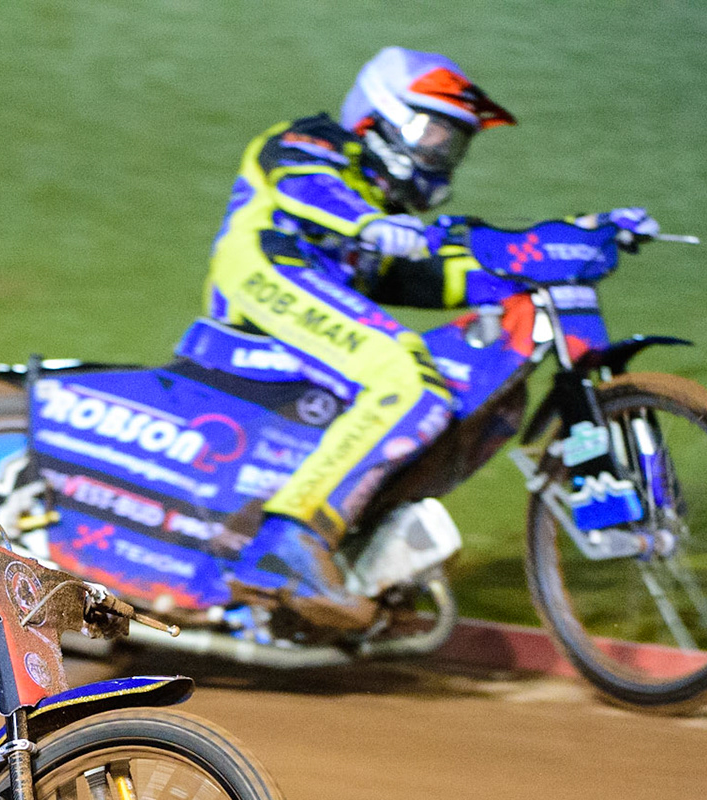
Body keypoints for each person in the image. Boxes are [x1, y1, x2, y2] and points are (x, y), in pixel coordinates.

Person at [203, 46, 516, 630]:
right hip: (263, 279)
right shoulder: (314, 141)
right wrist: (372, 224)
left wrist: (529, 263)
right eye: (432, 130)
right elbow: (306, 187)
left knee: (445, 391)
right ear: (381, 113)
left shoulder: (381, 209)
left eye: (455, 141)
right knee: (407, 375)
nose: (441, 151)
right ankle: (290, 542)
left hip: (307, 310)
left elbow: (425, 276)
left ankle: (352, 544)